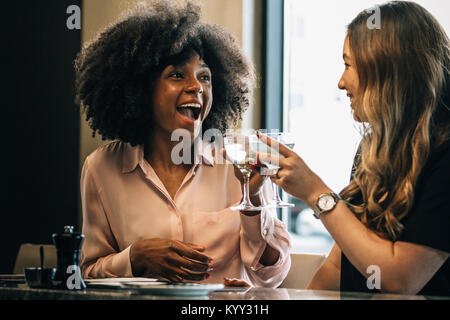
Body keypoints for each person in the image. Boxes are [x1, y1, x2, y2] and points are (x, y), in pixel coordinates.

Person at [75, 0, 291, 287]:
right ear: (140, 90)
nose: (196, 87)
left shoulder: (238, 164)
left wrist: (252, 204)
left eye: (205, 77)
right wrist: (135, 258)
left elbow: (272, 276)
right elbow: (87, 272)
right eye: (177, 75)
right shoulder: (101, 169)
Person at [258, 1, 449, 296]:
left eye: (349, 65)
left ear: (388, 71)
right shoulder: (373, 148)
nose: (341, 82)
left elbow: (400, 280)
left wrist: (316, 193)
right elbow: (338, 267)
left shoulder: (444, 156)